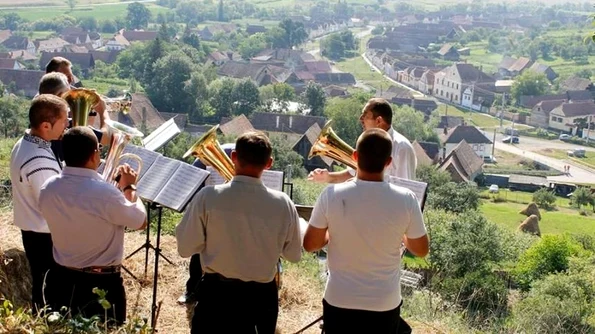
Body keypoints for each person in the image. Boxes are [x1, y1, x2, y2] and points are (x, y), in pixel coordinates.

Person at [303, 128, 429, 334]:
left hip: (339, 299)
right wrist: (399, 232)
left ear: (354, 156)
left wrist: (334, 233)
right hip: (384, 303)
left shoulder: (331, 195)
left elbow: (310, 244)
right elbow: (421, 249)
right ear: (389, 162)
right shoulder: (407, 199)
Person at [176, 132, 302, 334]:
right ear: (268, 163)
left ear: (233, 157)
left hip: (216, 295)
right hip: (261, 299)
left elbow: (185, 248)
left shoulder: (207, 197)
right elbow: (294, 255)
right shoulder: (283, 203)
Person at [38, 126, 147, 325]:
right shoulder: (106, 194)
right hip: (100, 285)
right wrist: (129, 186)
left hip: (60, 280)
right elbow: (140, 221)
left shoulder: (48, 188)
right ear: (95, 154)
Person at [9, 94, 70, 312]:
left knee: (42, 282)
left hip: (34, 229)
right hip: (44, 233)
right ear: (46, 125)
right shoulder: (39, 160)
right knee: (47, 289)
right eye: (64, 121)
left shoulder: (25, 143)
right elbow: (53, 203)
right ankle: (46, 320)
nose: (67, 126)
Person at [177, 143, 236, 305]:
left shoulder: (244, 157)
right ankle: (192, 290)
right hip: (212, 208)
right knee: (199, 246)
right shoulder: (200, 163)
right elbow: (192, 190)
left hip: (236, 209)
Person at [308, 97, 417, 183]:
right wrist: (327, 177)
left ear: (378, 120)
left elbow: (406, 188)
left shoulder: (402, 147)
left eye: (365, 115)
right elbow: (352, 173)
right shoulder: (367, 142)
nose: (360, 119)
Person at [37, 71, 111, 162]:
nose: (71, 96)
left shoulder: (38, 122)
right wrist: (103, 110)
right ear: (60, 96)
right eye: (68, 93)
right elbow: (107, 137)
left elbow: (86, 128)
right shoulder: (65, 127)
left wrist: (87, 107)